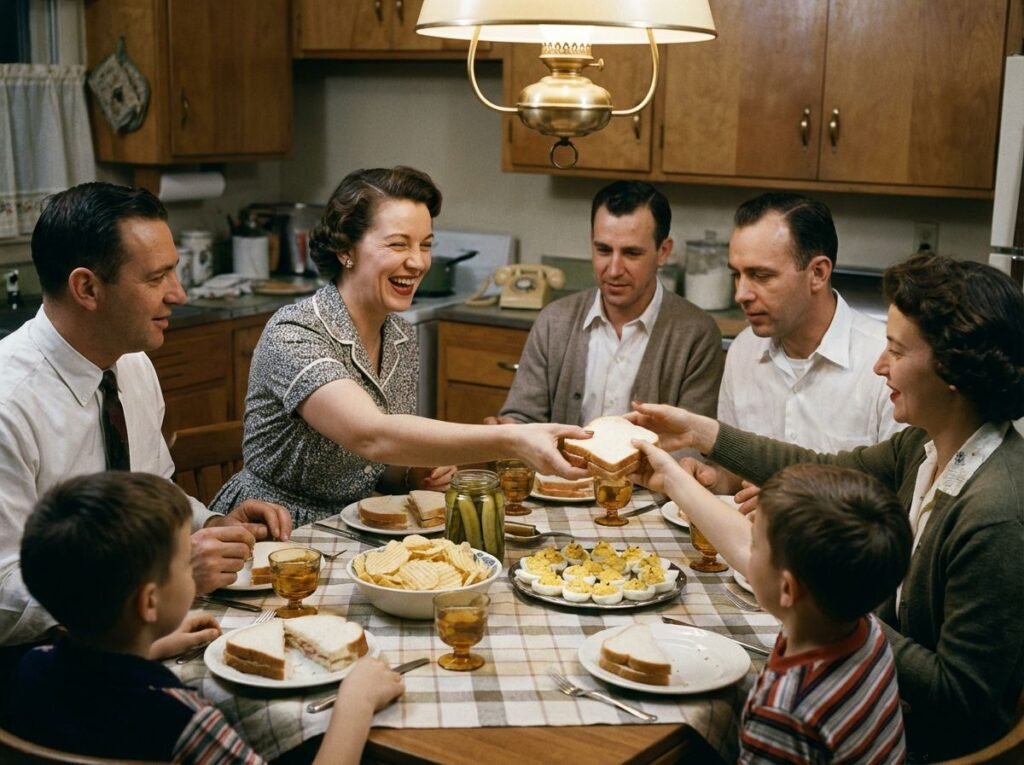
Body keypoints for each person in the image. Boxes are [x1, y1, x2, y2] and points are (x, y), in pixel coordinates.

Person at [629, 253, 1024, 760]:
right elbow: (813, 467)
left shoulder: (995, 513)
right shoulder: (925, 447)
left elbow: (963, 699)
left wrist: (833, 607)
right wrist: (701, 434)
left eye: (897, 351)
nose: (880, 365)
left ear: (954, 370)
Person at [0, 182, 291, 651]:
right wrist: (157, 575)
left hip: (133, 631)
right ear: (87, 288)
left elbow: (153, 489)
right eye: (156, 279)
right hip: (36, 667)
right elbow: (3, 599)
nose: (178, 294)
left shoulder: (131, 364)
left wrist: (208, 525)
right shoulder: (7, 405)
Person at [211, 166, 589, 525]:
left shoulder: (401, 337)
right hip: (268, 529)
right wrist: (514, 440)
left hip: (355, 522)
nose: (418, 262)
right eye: (397, 244)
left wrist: (414, 474)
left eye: (425, 245)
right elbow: (371, 435)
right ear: (346, 249)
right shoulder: (295, 332)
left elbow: (378, 463)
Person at [1, 472, 403, 764]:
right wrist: (355, 703)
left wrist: (154, 643)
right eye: (184, 561)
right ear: (149, 603)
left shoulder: (31, 668)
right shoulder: (185, 719)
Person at [635, 454, 910, 762]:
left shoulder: (783, 711)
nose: (746, 550)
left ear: (788, 589)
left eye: (754, 545)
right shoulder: (865, 627)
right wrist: (673, 477)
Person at [488, 180, 723, 427]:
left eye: (632, 253)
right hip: (558, 467)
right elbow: (525, 417)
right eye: (603, 250)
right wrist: (509, 429)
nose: (613, 270)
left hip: (656, 467)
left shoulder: (696, 334)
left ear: (663, 252)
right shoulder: (554, 321)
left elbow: (695, 442)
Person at [719, 192, 902, 458]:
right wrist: (712, 476)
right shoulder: (743, 350)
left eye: (761, 275)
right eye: (737, 275)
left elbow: (900, 488)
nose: (741, 294)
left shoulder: (882, 363)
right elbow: (732, 465)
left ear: (818, 273)